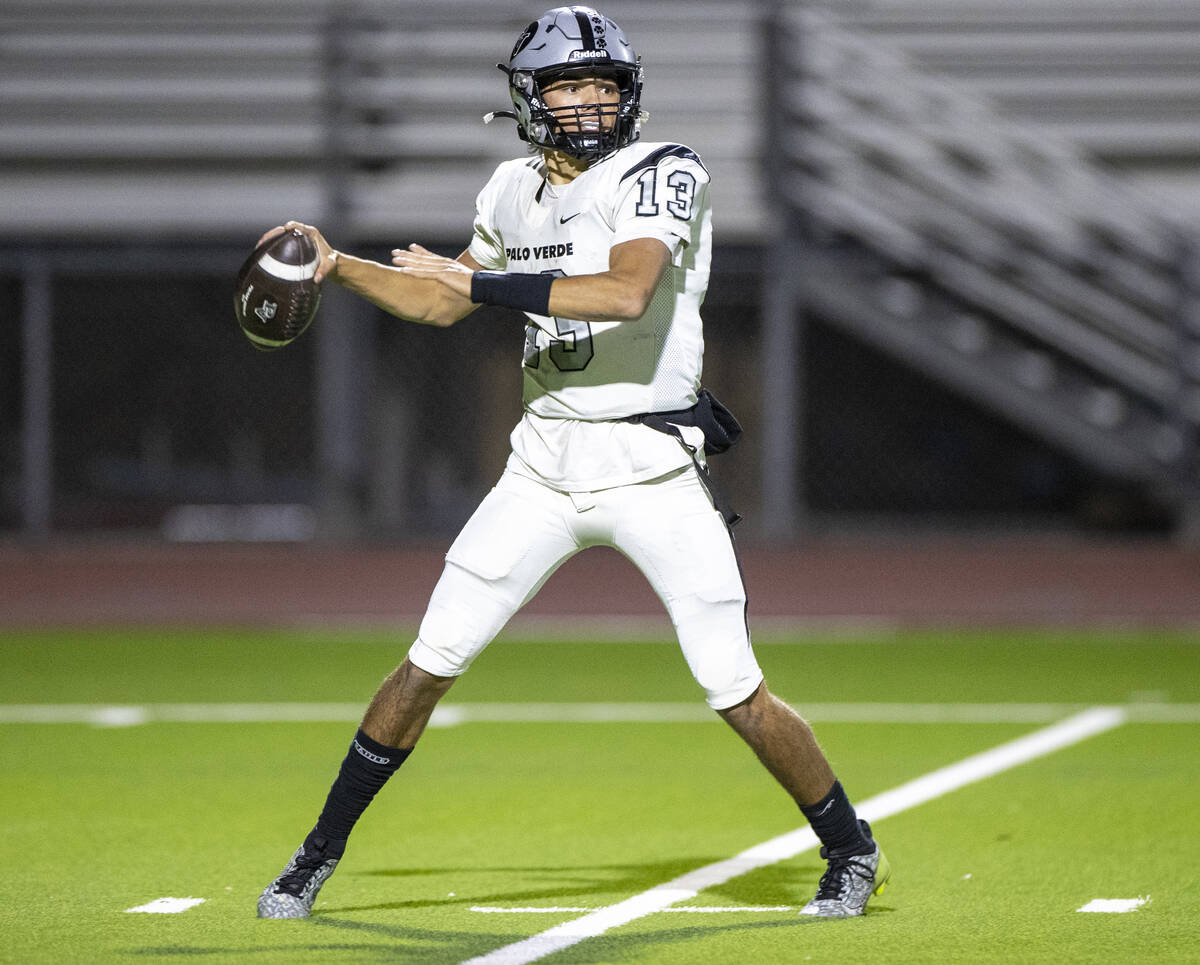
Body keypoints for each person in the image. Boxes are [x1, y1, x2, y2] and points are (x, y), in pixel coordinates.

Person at [256, 4, 889, 922]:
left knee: (733, 684)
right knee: (428, 661)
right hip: (542, 466)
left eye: (604, 85)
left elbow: (626, 291)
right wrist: (339, 265)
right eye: (570, 85)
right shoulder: (512, 189)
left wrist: (472, 279)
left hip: (652, 464)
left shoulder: (662, 171)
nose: (591, 102)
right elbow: (436, 304)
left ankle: (851, 848)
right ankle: (314, 856)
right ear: (531, 97)